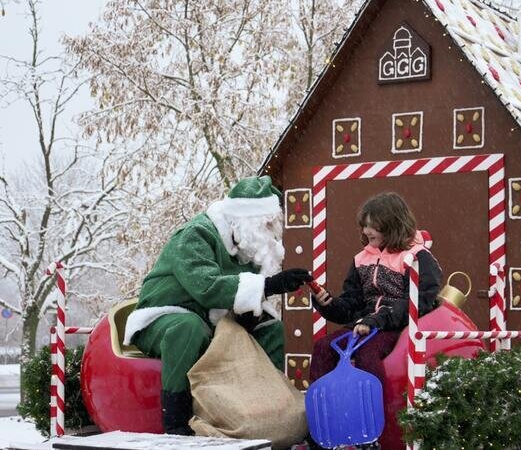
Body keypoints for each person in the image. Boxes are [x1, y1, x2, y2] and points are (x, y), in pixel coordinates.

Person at [122, 176, 312, 435]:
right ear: (246, 219)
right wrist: (269, 286)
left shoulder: (248, 244)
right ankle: (176, 422)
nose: (270, 230)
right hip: (165, 317)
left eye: (273, 223)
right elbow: (207, 288)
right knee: (187, 328)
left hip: (216, 325)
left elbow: (240, 297)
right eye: (265, 223)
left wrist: (255, 310)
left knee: (271, 328)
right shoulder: (195, 235)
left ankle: (265, 410)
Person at [309, 192, 442, 388]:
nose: (366, 230)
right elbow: (352, 305)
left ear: (392, 225)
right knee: (324, 347)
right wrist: (328, 304)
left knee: (367, 352)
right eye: (364, 225)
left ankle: (376, 411)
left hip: (399, 328)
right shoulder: (361, 259)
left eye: (372, 225)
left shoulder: (417, 257)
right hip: (365, 325)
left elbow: (419, 302)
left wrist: (378, 319)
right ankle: (322, 407)